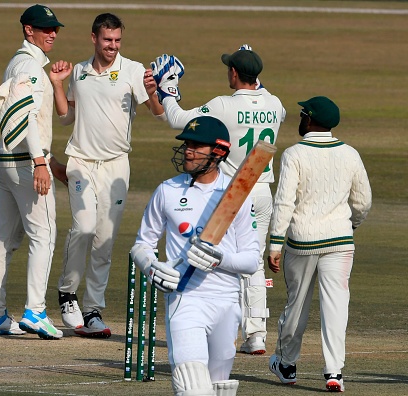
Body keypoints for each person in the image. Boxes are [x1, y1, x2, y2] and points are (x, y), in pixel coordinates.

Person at [144, 44, 286, 355]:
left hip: (233, 195)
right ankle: (257, 335)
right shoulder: (276, 105)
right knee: (252, 262)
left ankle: (217, 328)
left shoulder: (223, 105)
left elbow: (178, 120)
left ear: (234, 73)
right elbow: (261, 91)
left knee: (216, 258)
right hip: (263, 191)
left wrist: (168, 89)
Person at [49, 12, 165, 337]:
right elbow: (64, 117)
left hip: (116, 165)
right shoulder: (80, 72)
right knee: (84, 227)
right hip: (81, 160)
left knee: (105, 239)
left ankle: (92, 311)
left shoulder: (132, 71)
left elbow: (157, 114)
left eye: (117, 41)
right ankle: (67, 292)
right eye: (107, 40)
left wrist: (154, 92)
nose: (112, 46)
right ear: (94, 39)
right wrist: (58, 84)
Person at [131, 116, 260, 396]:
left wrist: (219, 258)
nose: (188, 151)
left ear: (218, 152)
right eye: (187, 144)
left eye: (196, 146)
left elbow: (251, 261)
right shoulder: (167, 191)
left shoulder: (236, 195)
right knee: (192, 386)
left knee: (219, 388)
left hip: (227, 302)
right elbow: (141, 245)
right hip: (185, 299)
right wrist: (153, 269)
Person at [267, 96, 372, 392]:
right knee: (336, 306)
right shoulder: (350, 153)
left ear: (311, 120)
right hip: (340, 241)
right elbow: (363, 202)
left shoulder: (295, 154)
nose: (299, 119)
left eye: (302, 115)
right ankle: (334, 372)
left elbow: (284, 201)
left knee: (297, 304)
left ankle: (286, 364)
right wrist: (351, 224)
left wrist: (275, 244)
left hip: (302, 241)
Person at [0, 4, 68, 340]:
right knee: (43, 237)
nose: (52, 34)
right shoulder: (30, 66)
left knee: (4, 239)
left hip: (5, 161)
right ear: (27, 31)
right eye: (45, 29)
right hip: (25, 162)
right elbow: (28, 116)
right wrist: (41, 162)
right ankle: (35, 311)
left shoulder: (18, 62)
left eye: (55, 29)